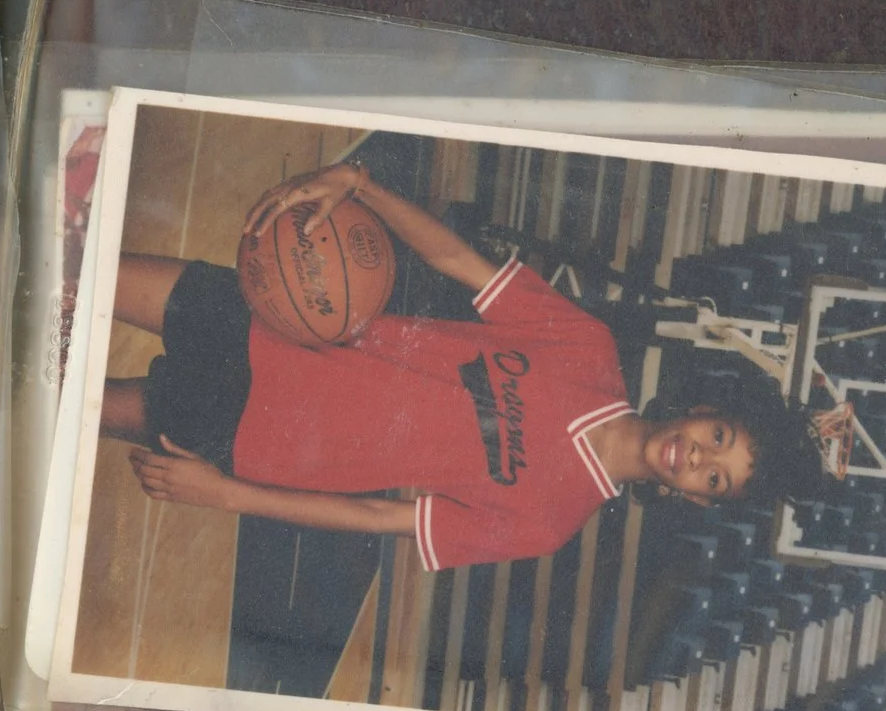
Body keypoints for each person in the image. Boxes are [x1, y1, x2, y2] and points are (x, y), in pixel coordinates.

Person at [104, 158, 837, 571]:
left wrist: (229, 495)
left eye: (716, 476)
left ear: (698, 499)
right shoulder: (589, 350)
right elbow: (460, 260)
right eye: (719, 437)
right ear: (705, 408)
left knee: (68, 395)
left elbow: (378, 514)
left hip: (266, 438)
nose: (698, 456)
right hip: (286, 320)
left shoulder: (548, 524)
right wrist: (359, 184)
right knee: (81, 269)